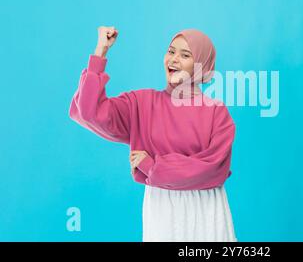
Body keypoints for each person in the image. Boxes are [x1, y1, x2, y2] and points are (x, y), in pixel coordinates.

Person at [68, 26, 238, 242]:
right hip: (162, 209)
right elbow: (90, 111)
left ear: (201, 66)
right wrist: (100, 52)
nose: (173, 59)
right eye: (171, 51)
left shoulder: (216, 112)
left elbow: (212, 168)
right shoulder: (141, 104)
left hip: (207, 208)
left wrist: (153, 166)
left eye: (185, 55)